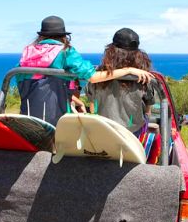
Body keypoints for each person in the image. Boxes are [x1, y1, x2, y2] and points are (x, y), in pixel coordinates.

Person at [16, 16, 153, 126]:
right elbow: (92, 76)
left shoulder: (27, 53)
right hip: (56, 117)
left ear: (41, 36)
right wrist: (127, 70)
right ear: (64, 36)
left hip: (28, 115)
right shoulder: (65, 52)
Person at [86, 28, 155, 136]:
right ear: (138, 54)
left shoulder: (99, 75)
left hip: (103, 130)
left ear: (111, 51)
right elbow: (148, 106)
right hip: (131, 132)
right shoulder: (142, 76)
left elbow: (92, 105)